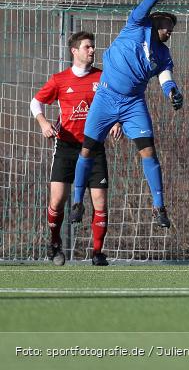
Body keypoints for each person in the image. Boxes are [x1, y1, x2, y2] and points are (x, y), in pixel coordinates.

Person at [70, 0, 185, 230]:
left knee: (148, 152)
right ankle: (77, 201)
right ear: (155, 22)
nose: (170, 30)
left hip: (133, 104)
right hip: (106, 98)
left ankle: (159, 207)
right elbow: (143, 8)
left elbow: (166, 78)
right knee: (87, 150)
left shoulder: (163, 54)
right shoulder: (136, 26)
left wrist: (173, 93)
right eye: (167, 25)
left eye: (172, 28)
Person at [31, 32, 121, 266]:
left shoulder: (102, 77)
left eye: (93, 47)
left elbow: (116, 102)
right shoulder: (59, 80)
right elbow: (35, 102)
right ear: (74, 51)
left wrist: (117, 121)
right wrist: (43, 122)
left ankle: (98, 253)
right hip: (66, 147)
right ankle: (54, 243)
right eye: (87, 47)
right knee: (57, 200)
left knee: (100, 201)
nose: (92, 50)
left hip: (93, 147)